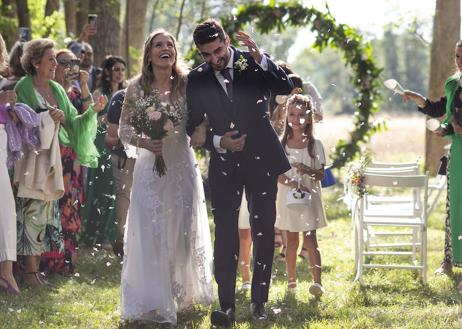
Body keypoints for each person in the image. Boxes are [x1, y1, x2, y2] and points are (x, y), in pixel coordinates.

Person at [187, 19, 292, 326]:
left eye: (218, 50)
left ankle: (259, 302)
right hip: (223, 164)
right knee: (226, 233)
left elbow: (285, 88)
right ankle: (227, 305)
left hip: (262, 159)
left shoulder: (252, 62)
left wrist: (261, 58)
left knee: (263, 228)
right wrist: (218, 141)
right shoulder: (198, 78)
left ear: (227, 40)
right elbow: (190, 124)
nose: (214, 59)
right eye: (206, 55)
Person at [119, 29, 214, 324]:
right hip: (150, 169)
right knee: (151, 231)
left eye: (170, 44)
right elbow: (123, 130)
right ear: (149, 53)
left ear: (175, 51)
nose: (165, 49)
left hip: (182, 166)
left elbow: (208, 113)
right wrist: (145, 142)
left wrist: (200, 129)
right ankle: (153, 298)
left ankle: (182, 292)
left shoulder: (188, 84)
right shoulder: (136, 88)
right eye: (159, 45)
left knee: (182, 231)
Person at [14, 38, 106, 286]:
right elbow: (22, 120)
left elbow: (74, 124)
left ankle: (35, 269)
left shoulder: (56, 89)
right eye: (51, 59)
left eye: (56, 59)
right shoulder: (23, 85)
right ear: (35, 62)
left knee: (44, 213)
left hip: (53, 160)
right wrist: (45, 116)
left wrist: (92, 112)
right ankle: (28, 270)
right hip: (30, 161)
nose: (56, 64)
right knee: (29, 211)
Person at [402, 40, 462, 274]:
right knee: (454, 206)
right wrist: (420, 101)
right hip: (457, 154)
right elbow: (444, 112)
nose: (459, 62)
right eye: (457, 56)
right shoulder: (452, 83)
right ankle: (448, 260)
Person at [43, 49, 92, 275]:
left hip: (71, 158)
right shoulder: (45, 91)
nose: (67, 67)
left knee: (70, 205)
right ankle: (46, 261)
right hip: (50, 155)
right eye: (63, 62)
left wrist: (84, 85)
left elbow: (89, 115)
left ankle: (66, 260)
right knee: (50, 205)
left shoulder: (73, 93)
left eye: (72, 63)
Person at [275, 93, 327, 297]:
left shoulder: (315, 144)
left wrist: (305, 169)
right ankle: (291, 282)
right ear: (286, 116)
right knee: (291, 240)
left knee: (310, 239)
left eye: (302, 115)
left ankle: (317, 283)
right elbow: (277, 175)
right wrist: (294, 184)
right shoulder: (281, 143)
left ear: (309, 118)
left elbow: (321, 174)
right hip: (287, 196)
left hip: (310, 196)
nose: (297, 120)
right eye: (292, 114)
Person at [82, 55, 126, 248]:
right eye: (116, 69)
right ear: (107, 71)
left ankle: (112, 235)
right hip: (101, 142)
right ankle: (95, 235)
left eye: (122, 70)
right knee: (101, 186)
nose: (119, 73)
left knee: (115, 188)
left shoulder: (126, 93)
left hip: (119, 142)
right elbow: (89, 117)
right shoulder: (100, 92)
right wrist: (105, 118)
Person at [104, 89, 135, 257]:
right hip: (125, 157)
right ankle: (122, 240)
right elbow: (109, 138)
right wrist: (129, 137)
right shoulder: (121, 97)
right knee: (123, 195)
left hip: (152, 158)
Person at [0, 33, 20, 294]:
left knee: (5, 206)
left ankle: (6, 272)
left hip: (1, 144)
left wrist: (13, 109)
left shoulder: (3, 82)